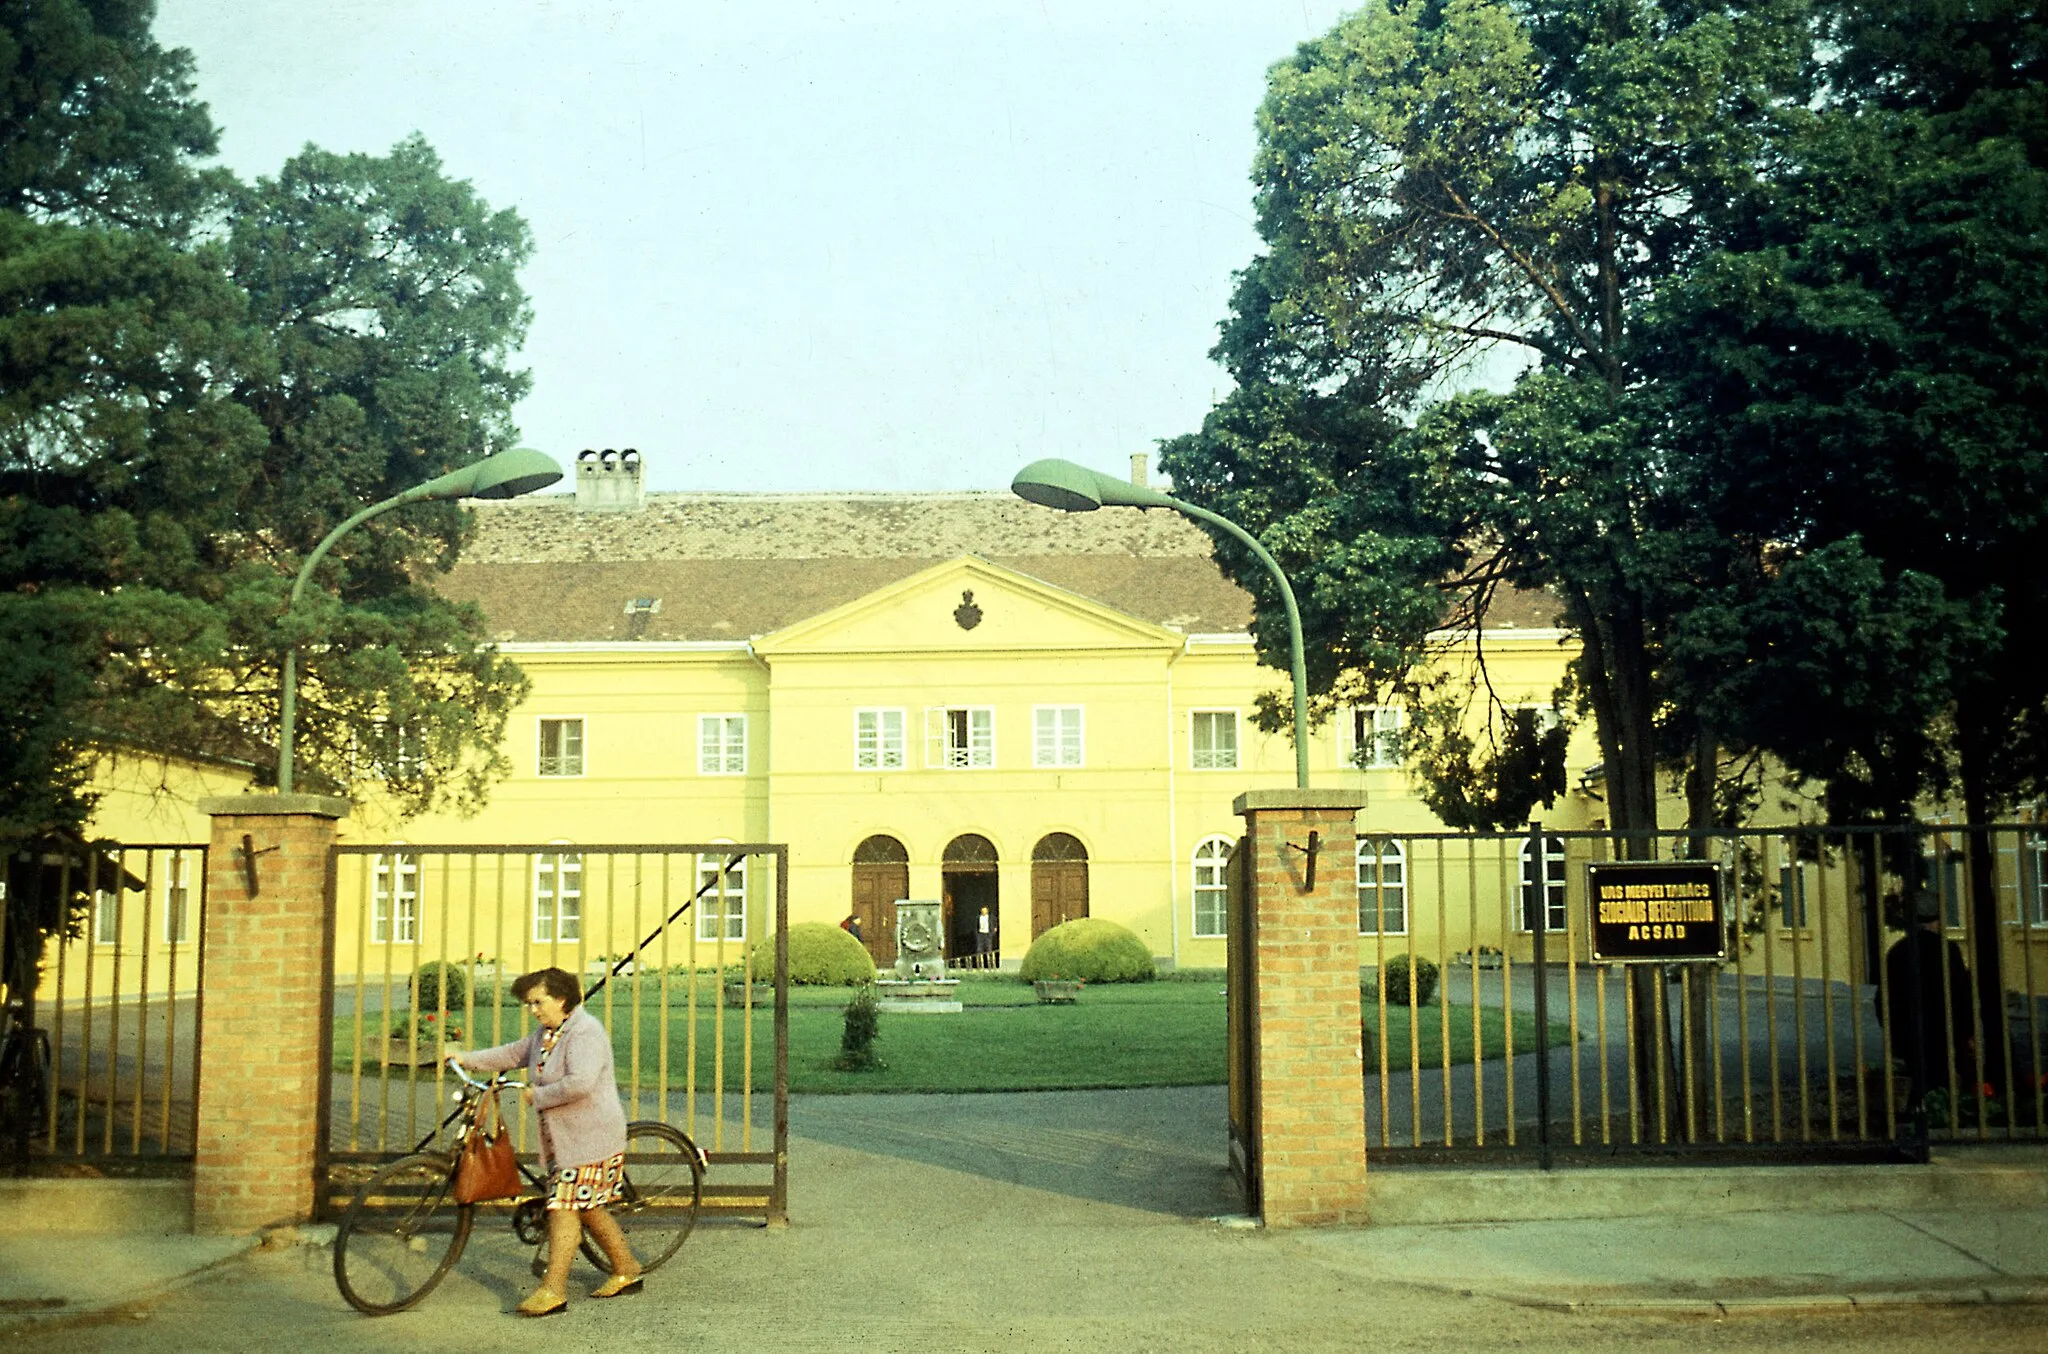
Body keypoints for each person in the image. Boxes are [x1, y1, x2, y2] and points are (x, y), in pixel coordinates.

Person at [449, 967, 641, 1317]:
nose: (533, 1009)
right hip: (567, 1139)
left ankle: (553, 1290)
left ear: (562, 999)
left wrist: (536, 1095)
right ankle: (627, 1268)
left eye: (538, 1002)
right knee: (588, 1207)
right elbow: (512, 1054)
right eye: (529, 1004)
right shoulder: (546, 1033)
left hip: (591, 1137)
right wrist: (467, 1059)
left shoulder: (586, 1033)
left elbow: (580, 1083)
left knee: (564, 1208)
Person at [1880, 891, 1978, 1111]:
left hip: (1910, 1031)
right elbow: (1960, 993)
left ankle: (1919, 1121)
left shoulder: (1897, 952)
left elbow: (1885, 999)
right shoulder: (1947, 950)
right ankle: (1940, 1120)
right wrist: (1967, 1031)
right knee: (1944, 1081)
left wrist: (1893, 1031)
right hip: (1944, 1029)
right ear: (1938, 917)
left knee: (1919, 1079)